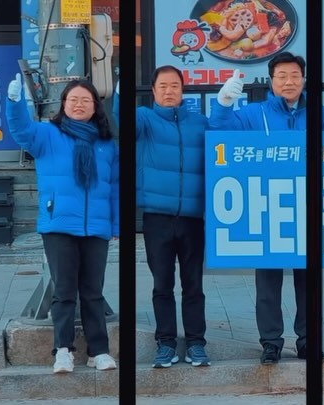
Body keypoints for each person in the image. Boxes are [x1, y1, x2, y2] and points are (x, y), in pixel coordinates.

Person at [211, 51, 324, 364]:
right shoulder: (254, 114)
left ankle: (308, 341)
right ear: (271, 81)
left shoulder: (320, 113)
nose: (288, 81)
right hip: (268, 207)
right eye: (282, 76)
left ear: (304, 80)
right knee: (268, 283)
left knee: (309, 282)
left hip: (307, 207)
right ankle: (271, 343)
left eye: (295, 75)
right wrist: (224, 103)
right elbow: (221, 131)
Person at [5, 75, 119, 373]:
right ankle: (63, 350)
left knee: (93, 292)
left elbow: (115, 187)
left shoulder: (106, 144)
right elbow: (20, 129)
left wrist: (115, 225)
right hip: (58, 225)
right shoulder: (47, 135)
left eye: (85, 100)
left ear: (95, 106)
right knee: (65, 290)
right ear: (64, 104)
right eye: (73, 99)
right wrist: (15, 102)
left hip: (96, 227)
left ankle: (99, 351)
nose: (79, 105)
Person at [113, 65, 210, 368]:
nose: (169, 91)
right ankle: (166, 343)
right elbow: (121, 118)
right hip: (157, 217)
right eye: (163, 86)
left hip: (193, 218)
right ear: (153, 91)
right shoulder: (145, 119)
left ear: (183, 90)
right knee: (162, 284)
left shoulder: (200, 123)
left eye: (174, 86)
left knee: (193, 285)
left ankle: (196, 343)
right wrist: (120, 93)